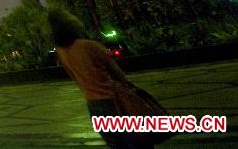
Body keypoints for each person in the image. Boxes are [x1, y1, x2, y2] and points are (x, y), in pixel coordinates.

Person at [48, 8, 160, 149]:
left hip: (94, 106)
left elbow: (76, 78)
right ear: (69, 24)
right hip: (115, 103)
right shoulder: (89, 46)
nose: (76, 18)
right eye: (72, 16)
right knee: (140, 143)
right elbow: (117, 74)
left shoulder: (62, 52)